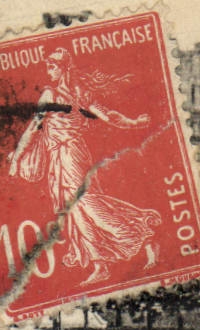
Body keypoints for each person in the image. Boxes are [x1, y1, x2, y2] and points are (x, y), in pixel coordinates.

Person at [9, 47, 160, 285]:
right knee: (74, 210)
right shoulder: (69, 93)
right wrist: (18, 156)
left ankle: (138, 233)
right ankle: (102, 262)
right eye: (48, 66)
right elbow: (35, 127)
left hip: (71, 155)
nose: (49, 71)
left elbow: (107, 115)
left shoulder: (63, 93)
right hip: (59, 157)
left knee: (84, 204)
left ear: (64, 68)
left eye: (53, 66)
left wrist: (134, 122)